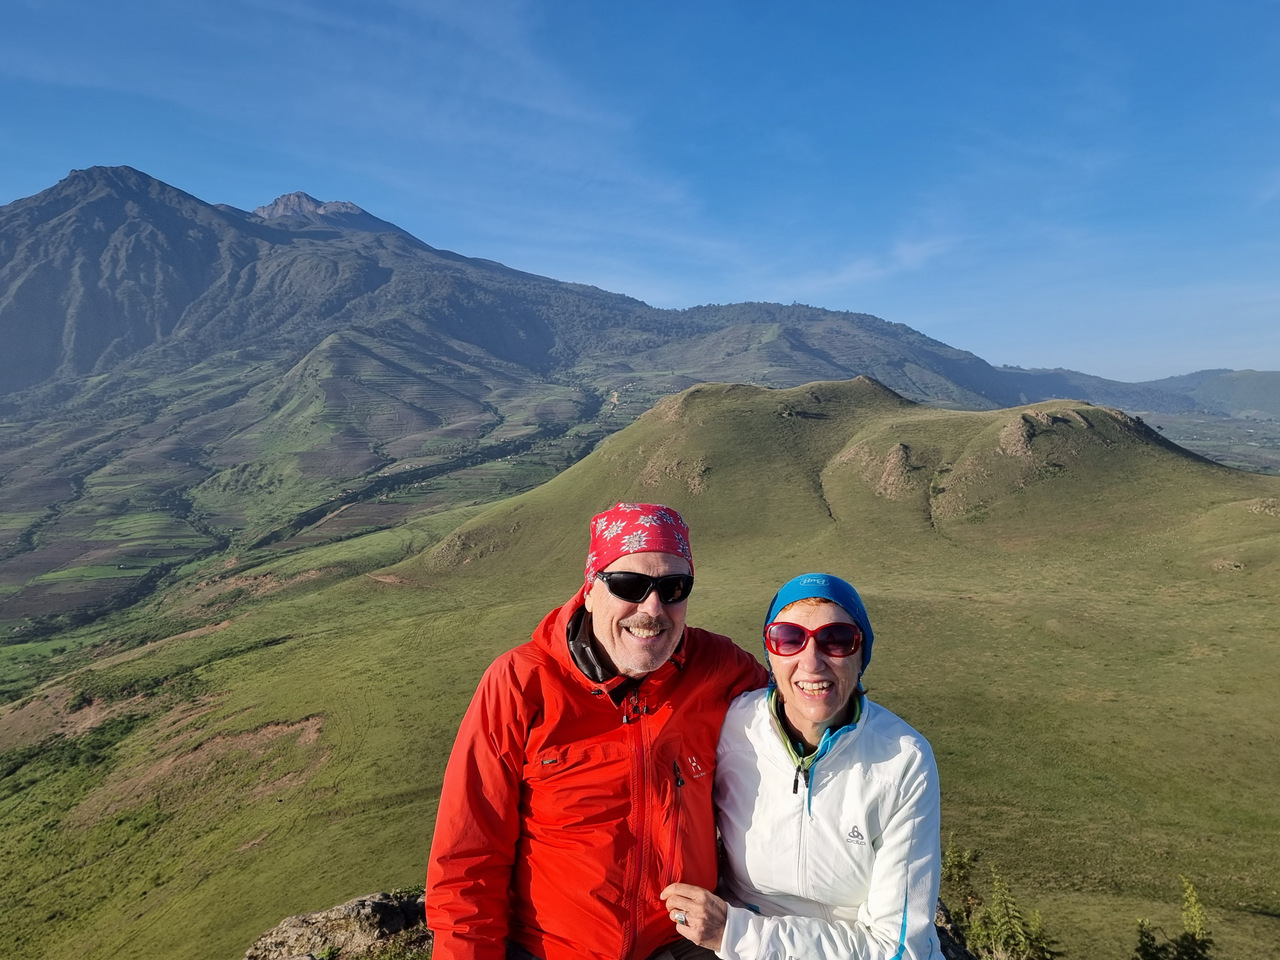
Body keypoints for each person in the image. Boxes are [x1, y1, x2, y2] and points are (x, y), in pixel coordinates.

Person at [426, 502, 769, 960]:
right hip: (553, 951)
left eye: (674, 587)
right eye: (630, 585)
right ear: (590, 589)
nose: (652, 609)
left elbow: (800, 710)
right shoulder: (521, 683)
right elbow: (468, 855)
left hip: (685, 946)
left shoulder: (720, 668)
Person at [661, 572, 942, 960]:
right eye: (789, 638)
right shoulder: (733, 728)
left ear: (862, 655)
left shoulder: (902, 761)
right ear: (770, 655)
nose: (811, 661)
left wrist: (739, 935)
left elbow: (899, 950)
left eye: (838, 640)